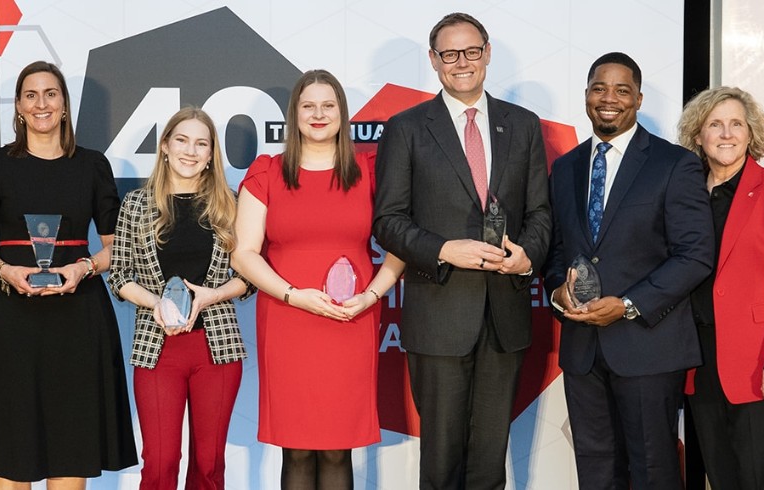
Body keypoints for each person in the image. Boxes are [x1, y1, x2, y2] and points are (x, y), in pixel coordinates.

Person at [372, 13, 551, 489]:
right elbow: (387, 222)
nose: (462, 63)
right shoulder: (406, 128)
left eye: (471, 51)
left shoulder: (524, 125)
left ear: (487, 53)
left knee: (490, 460)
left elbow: (541, 213)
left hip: (505, 317)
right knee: (442, 460)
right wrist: (444, 249)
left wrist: (526, 256)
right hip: (439, 317)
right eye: (450, 54)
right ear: (434, 61)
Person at [0, 61, 137, 489]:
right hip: (12, 319)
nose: (41, 103)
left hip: (77, 320)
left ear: (64, 105)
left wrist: (83, 267)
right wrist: (6, 271)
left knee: (70, 449)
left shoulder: (93, 165)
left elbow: (118, 247)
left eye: (51, 94)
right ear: (19, 108)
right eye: (31, 95)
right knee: (11, 450)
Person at [544, 52, 713, 490]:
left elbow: (695, 254)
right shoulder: (565, 168)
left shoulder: (673, 163)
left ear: (638, 99)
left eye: (622, 90)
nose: (609, 98)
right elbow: (558, 249)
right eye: (599, 87)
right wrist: (557, 293)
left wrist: (628, 305)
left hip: (648, 348)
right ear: (585, 96)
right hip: (583, 350)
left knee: (653, 471)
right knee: (596, 472)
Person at [232, 69, 404, 489]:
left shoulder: (370, 171)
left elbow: (402, 244)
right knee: (296, 449)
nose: (318, 114)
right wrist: (293, 296)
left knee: (336, 448)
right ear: (294, 114)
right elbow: (243, 253)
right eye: (308, 105)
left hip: (351, 320)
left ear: (343, 114)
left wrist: (371, 296)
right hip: (288, 319)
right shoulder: (267, 173)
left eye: (328, 105)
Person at [108, 107, 251, 490]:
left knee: (208, 466)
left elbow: (248, 277)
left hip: (216, 348)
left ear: (210, 155)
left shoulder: (231, 204)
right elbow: (119, 274)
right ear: (165, 146)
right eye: (182, 140)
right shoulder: (135, 205)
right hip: (157, 350)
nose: (191, 151)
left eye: (201, 143)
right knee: (160, 464)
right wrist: (155, 303)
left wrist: (212, 296)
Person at [677, 86, 764, 489]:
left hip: (762, 363)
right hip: (699, 362)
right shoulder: (683, 192)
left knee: (762, 480)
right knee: (723, 478)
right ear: (698, 136)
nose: (727, 133)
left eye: (737, 123)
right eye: (715, 124)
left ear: (751, 133)